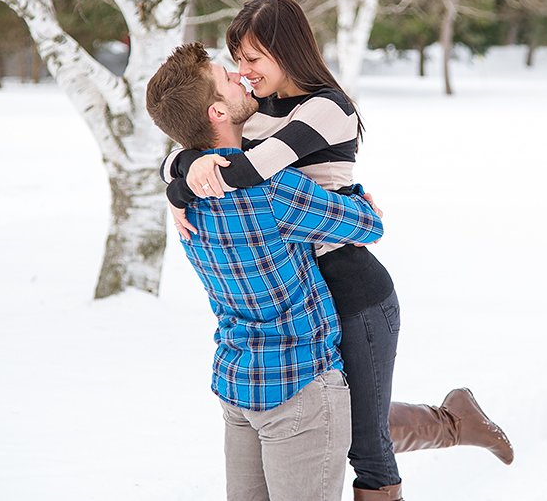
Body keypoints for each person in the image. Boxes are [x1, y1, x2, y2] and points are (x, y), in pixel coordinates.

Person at [161, 0, 513, 501]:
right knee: (340, 417)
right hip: (299, 288)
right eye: (236, 60)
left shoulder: (327, 107)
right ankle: (455, 418)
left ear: (288, 51)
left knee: (366, 445)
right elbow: (196, 133)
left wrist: (186, 179)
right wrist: (181, 166)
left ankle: (455, 423)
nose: (244, 72)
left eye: (253, 59)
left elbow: (250, 171)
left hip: (352, 289)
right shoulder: (255, 108)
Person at [146, 43, 382, 501]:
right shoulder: (273, 193)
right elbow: (369, 226)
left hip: (238, 383)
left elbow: (186, 165)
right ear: (218, 110)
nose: (240, 75)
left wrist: (182, 171)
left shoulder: (185, 201)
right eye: (228, 77)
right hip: (301, 385)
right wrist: (356, 199)